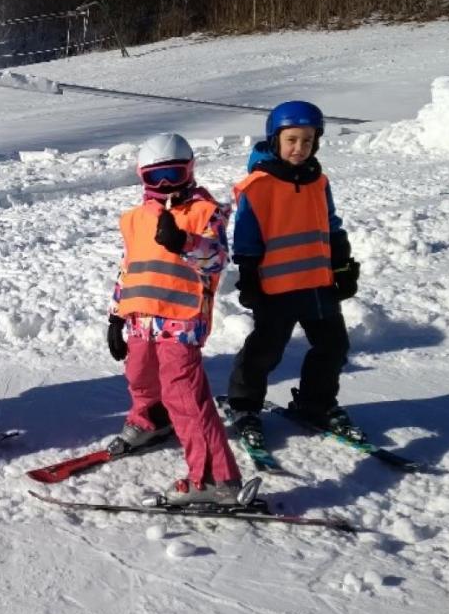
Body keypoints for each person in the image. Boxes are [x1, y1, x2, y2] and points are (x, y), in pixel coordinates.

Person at [106, 133, 244, 505]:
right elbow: (129, 269)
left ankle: (215, 479)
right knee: (139, 376)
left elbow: (217, 260)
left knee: (184, 394)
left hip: (181, 320)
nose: (166, 185)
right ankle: (150, 420)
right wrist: (115, 317)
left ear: (190, 170)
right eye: (156, 177)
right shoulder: (134, 219)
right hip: (140, 319)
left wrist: (185, 242)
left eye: (174, 174)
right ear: (142, 178)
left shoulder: (204, 212)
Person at [225, 100, 363, 446]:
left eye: (308, 140)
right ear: (275, 140)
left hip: (318, 285)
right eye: (291, 140)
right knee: (265, 352)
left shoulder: (319, 181)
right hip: (275, 289)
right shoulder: (257, 186)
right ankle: (244, 406)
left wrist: (342, 264)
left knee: (333, 346)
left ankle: (315, 403)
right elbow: (246, 239)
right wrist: (250, 276)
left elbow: (330, 226)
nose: (299, 148)